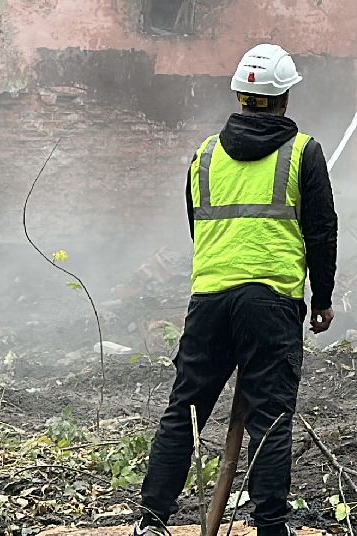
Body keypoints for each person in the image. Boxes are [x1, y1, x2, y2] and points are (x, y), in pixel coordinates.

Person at [134, 43, 339, 536]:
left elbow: (196, 225)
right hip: (270, 304)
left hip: (209, 301)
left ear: (241, 98)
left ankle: (151, 521)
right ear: (285, 97)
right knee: (270, 416)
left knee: (185, 408)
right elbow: (322, 232)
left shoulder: (203, 155)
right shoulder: (303, 153)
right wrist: (324, 299)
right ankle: (271, 526)